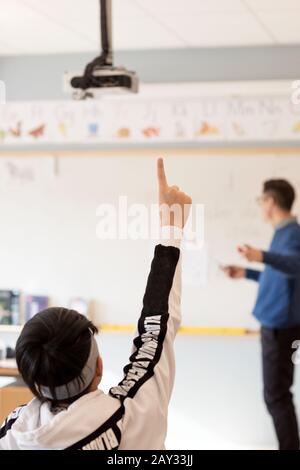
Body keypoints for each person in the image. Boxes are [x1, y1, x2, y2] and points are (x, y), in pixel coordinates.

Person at [0, 158, 192, 450]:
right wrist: (171, 229)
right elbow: (156, 333)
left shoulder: (12, 435)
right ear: (99, 367)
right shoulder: (131, 418)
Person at [223, 179, 300, 450]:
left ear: (270, 202)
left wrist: (262, 256)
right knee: (277, 395)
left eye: (260, 200)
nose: (260, 206)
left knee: (276, 396)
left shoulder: (291, 233)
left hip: (281, 327)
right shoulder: (282, 232)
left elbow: (295, 266)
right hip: (276, 325)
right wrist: (246, 272)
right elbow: (279, 276)